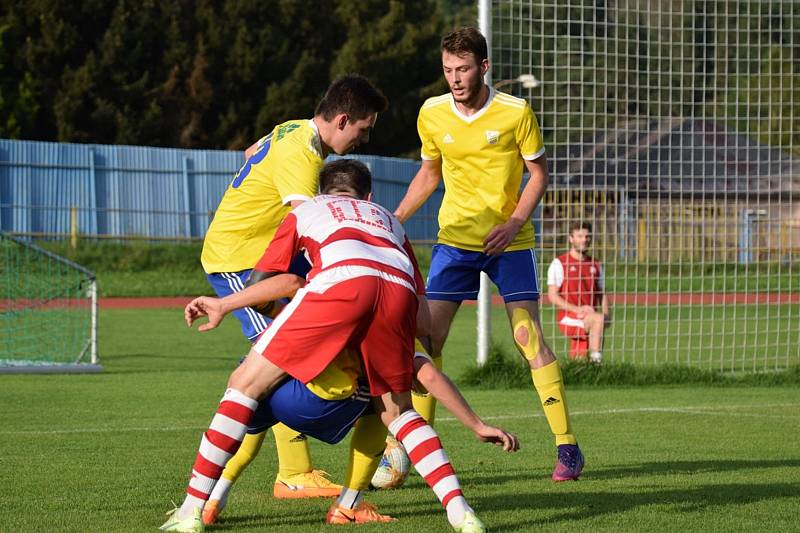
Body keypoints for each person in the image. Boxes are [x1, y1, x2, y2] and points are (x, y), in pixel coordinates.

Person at [161, 160, 493, 532]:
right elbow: (424, 325)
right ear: (368, 196)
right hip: (397, 295)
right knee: (397, 413)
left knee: (245, 384)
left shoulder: (308, 210)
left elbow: (274, 279)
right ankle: (461, 513)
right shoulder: (390, 221)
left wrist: (226, 304)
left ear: (321, 192)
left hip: (340, 286)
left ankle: (191, 510)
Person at [393, 26, 584, 482]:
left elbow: (538, 174)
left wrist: (515, 222)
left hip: (510, 243)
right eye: (447, 70)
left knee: (527, 337)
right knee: (426, 341)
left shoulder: (516, 111)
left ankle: (567, 447)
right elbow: (429, 173)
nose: (454, 79)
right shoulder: (432, 113)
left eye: (462, 69)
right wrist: (393, 219)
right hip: (454, 242)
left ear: (483, 67)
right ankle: (416, 450)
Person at [199, 73, 388, 502]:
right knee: (277, 364)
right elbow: (315, 228)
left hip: (267, 256)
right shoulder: (303, 157)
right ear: (342, 120)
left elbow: (251, 152)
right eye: (363, 129)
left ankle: (246, 484)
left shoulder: (295, 129)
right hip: (242, 264)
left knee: (285, 361)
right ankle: (287, 474)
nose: (364, 139)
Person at [547, 221, 610, 364]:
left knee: (579, 360)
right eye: (579, 236)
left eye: (587, 237)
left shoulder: (596, 264)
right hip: (568, 316)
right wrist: (578, 309)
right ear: (571, 238)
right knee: (598, 320)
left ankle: (582, 371)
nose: (584, 240)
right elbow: (552, 296)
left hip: (590, 316)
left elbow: (602, 292)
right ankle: (597, 363)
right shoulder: (559, 263)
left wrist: (607, 314)